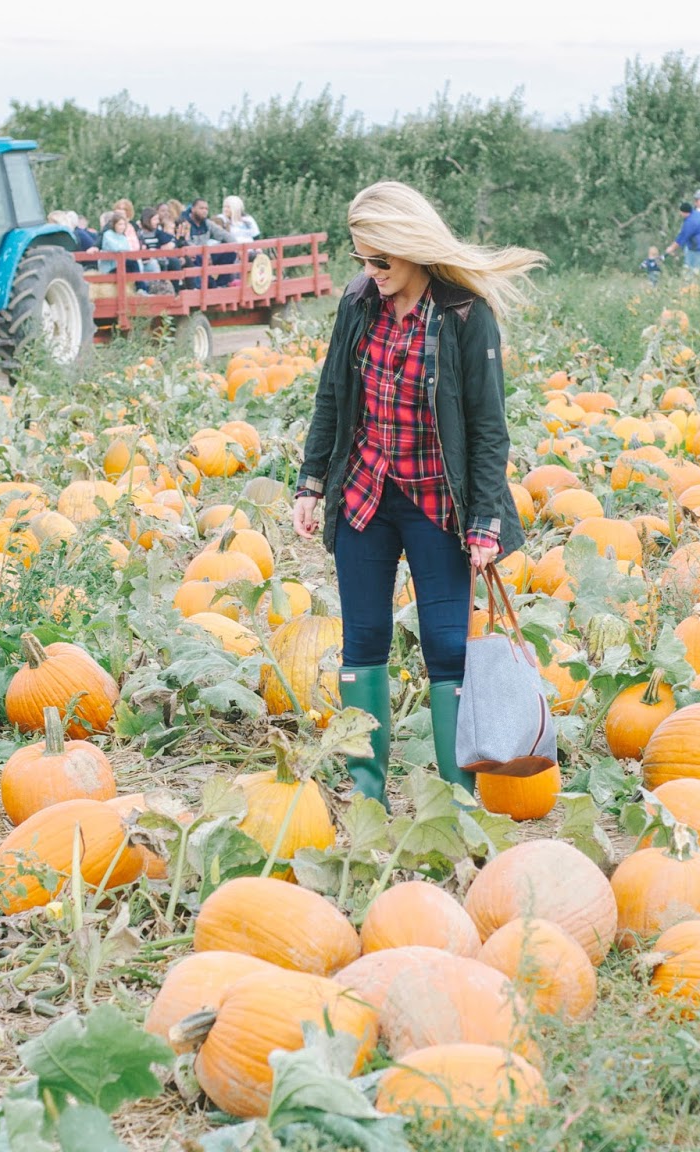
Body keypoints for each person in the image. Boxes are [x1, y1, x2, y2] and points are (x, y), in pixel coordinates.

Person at [291, 180, 543, 808]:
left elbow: (489, 428)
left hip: (438, 504)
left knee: (447, 647)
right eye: (361, 258)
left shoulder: (463, 315)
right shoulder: (358, 303)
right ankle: (367, 795)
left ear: (411, 248)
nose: (371, 271)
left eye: (381, 259)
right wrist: (311, 482)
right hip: (366, 494)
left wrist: (484, 522)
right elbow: (331, 396)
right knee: (363, 640)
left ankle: (457, 798)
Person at [664, 202, 700, 276]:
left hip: (698, 248)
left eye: (681, 212)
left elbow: (682, 238)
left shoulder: (690, 222)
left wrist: (671, 248)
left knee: (692, 270)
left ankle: (690, 280)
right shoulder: (697, 214)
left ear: (684, 212)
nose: (680, 214)